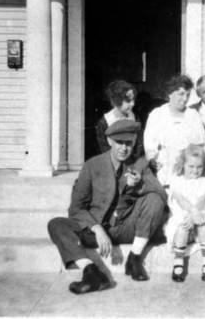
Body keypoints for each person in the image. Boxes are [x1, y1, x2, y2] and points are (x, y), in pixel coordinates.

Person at [47, 120, 167, 295]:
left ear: (134, 143)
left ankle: (134, 259)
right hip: (96, 230)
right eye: (119, 142)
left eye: (129, 143)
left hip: (128, 228)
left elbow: (161, 196)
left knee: (154, 199)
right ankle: (92, 273)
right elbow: (76, 208)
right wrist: (96, 228)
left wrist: (140, 185)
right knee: (56, 224)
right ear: (110, 141)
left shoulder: (139, 165)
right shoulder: (92, 166)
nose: (124, 148)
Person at [144, 75, 205, 186]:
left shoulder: (193, 116)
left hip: (188, 170)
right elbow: (150, 145)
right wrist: (152, 160)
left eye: (188, 95)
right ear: (170, 94)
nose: (185, 99)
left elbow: (202, 146)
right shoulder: (157, 115)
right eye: (181, 94)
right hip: (164, 168)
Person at [164, 144, 205, 282]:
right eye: (191, 167)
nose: (195, 171)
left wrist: (195, 214)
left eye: (199, 167)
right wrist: (192, 213)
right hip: (182, 216)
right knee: (182, 226)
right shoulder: (176, 180)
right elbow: (180, 199)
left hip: (200, 214)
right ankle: (178, 262)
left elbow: (203, 199)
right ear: (183, 165)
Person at [96, 80, 142, 155]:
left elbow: (139, 145)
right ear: (116, 100)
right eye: (128, 101)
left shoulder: (135, 118)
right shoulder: (104, 122)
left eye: (133, 99)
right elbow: (104, 150)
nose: (132, 104)